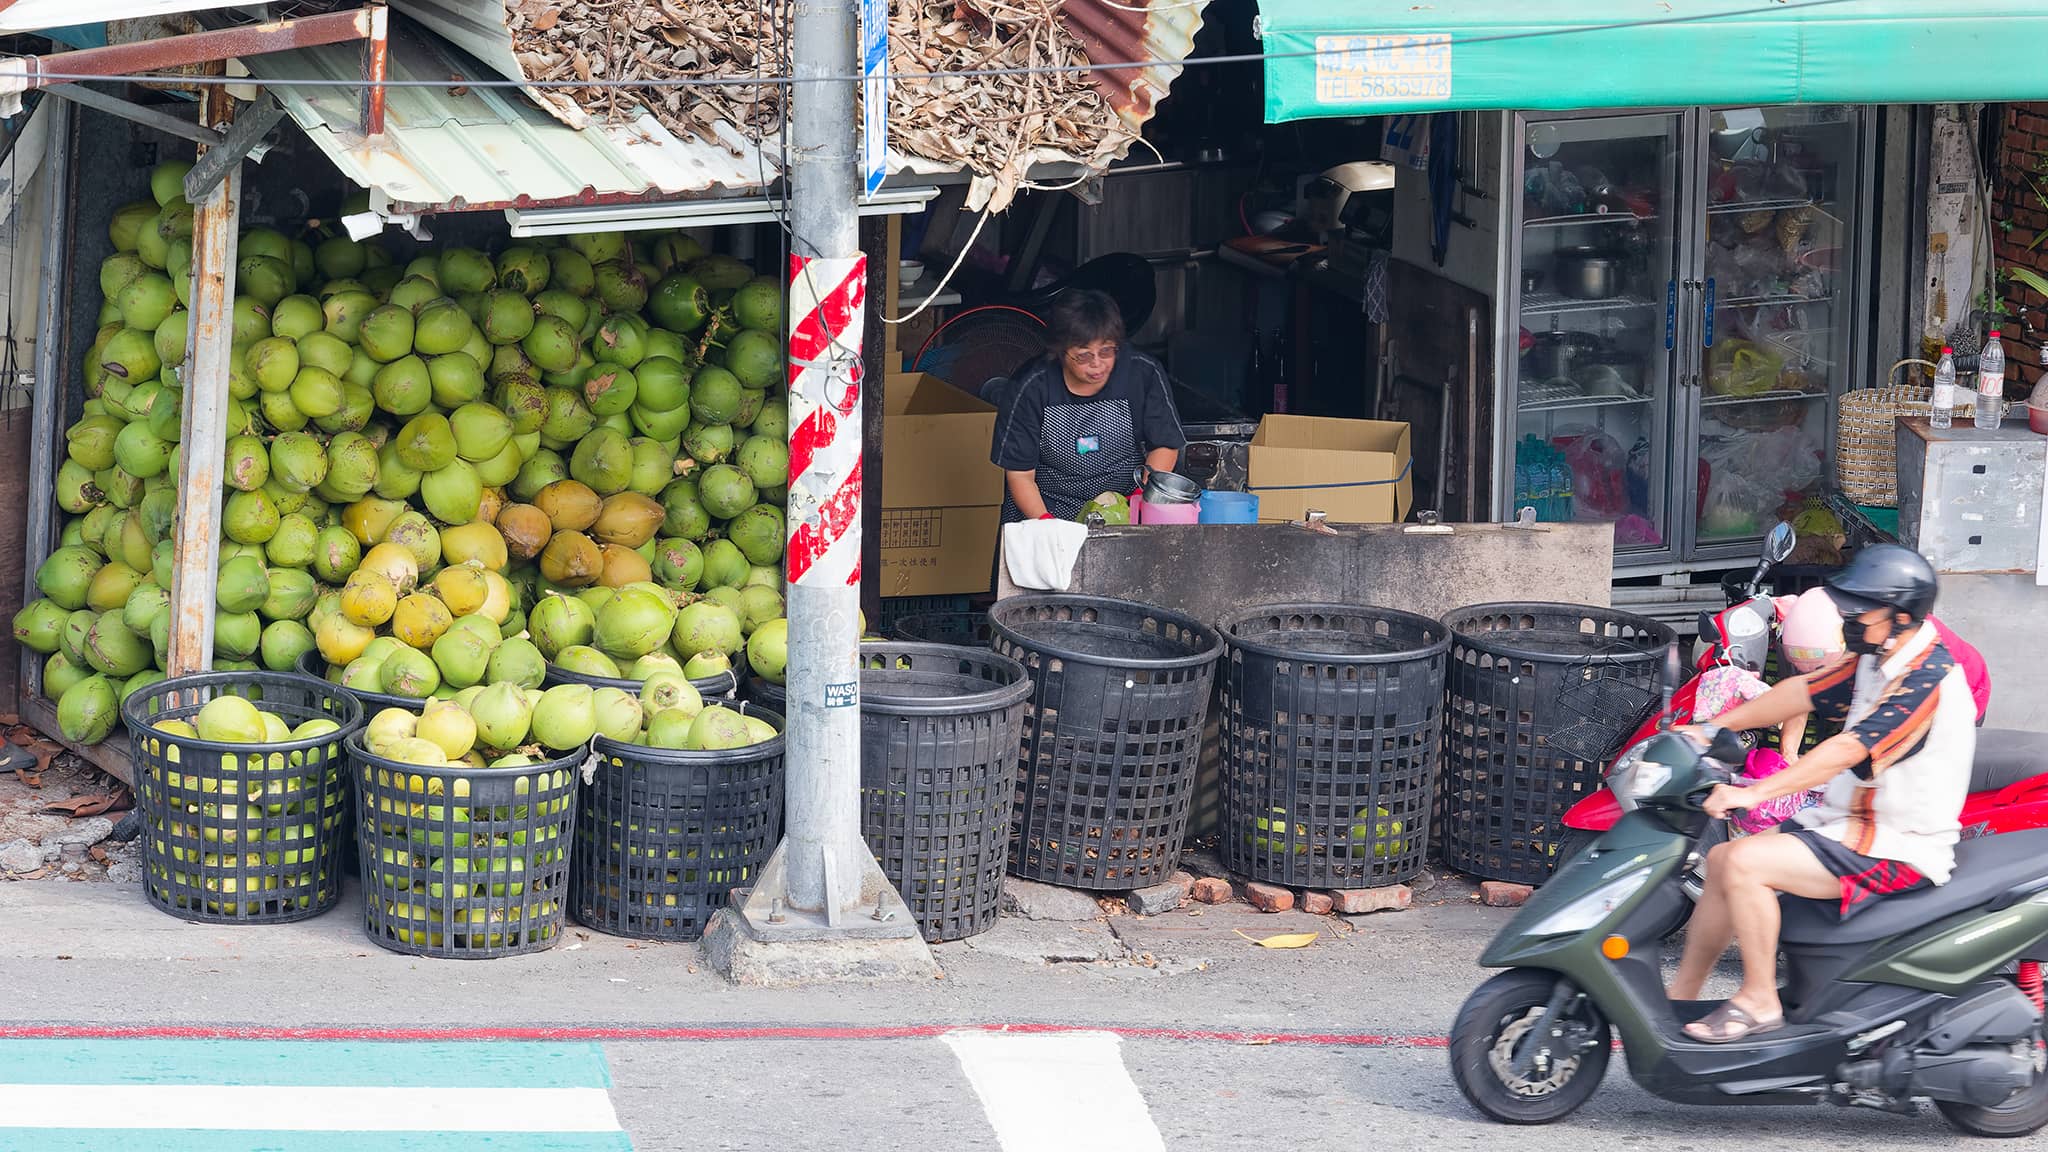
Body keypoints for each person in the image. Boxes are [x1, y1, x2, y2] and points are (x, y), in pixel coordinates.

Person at [1665, 544, 1977, 1043]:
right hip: (1848, 822)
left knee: (1746, 863)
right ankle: (1677, 1003)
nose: (1848, 619)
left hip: (1896, 844)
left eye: (1859, 611)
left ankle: (1759, 1001)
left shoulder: (1925, 680)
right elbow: (1802, 691)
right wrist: (1709, 727)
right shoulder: (1880, 653)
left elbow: (1847, 750)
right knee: (1722, 859)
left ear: (1899, 617)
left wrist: (1754, 794)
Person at [990, 289, 1187, 524]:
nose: (1097, 365)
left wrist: (1137, 502)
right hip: (1047, 508)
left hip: (1124, 505)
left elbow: (1165, 445)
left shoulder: (1141, 373)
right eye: (1083, 356)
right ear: (1060, 352)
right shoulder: (1030, 387)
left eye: (1106, 352)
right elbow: (1020, 474)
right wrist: (1047, 525)